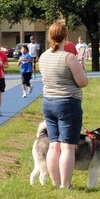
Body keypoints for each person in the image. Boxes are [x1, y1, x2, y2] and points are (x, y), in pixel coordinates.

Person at [38, 22, 89, 189]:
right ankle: (66, 185)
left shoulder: (43, 56)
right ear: (66, 37)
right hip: (67, 102)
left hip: (48, 102)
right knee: (67, 146)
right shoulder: (69, 57)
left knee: (54, 144)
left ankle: (55, 182)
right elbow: (82, 82)